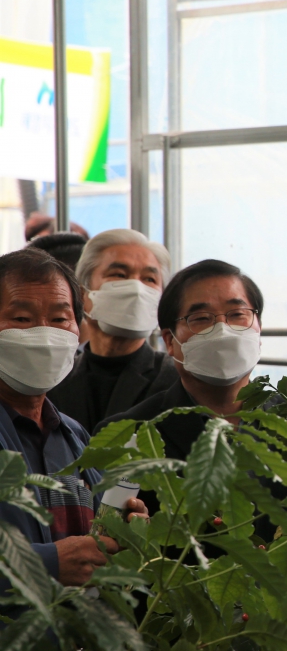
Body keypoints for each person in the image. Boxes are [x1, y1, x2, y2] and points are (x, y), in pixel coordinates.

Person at [0, 248, 147, 589]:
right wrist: (47, 564)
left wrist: (123, 530)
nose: (43, 335)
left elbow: (94, 546)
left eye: (59, 319)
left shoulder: (74, 435)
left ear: (78, 329)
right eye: (21, 318)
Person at [96, 259, 264, 462]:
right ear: (170, 341)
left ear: (259, 328)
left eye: (237, 314)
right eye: (201, 318)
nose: (222, 329)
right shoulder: (126, 433)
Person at [48, 229, 177, 432]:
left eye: (149, 279)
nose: (136, 288)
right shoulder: (53, 379)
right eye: (119, 275)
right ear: (82, 294)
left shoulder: (176, 379)